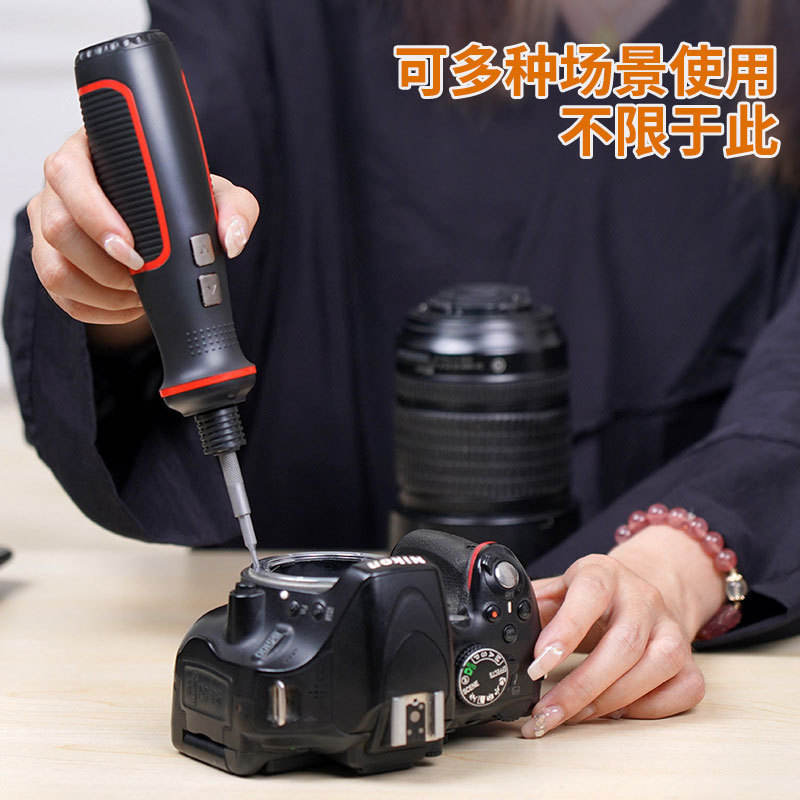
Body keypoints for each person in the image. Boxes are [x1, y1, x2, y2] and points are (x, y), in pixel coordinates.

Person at [4, 0, 800, 740]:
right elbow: (186, 198)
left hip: (685, 695)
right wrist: (119, 279)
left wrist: (683, 557)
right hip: (323, 663)